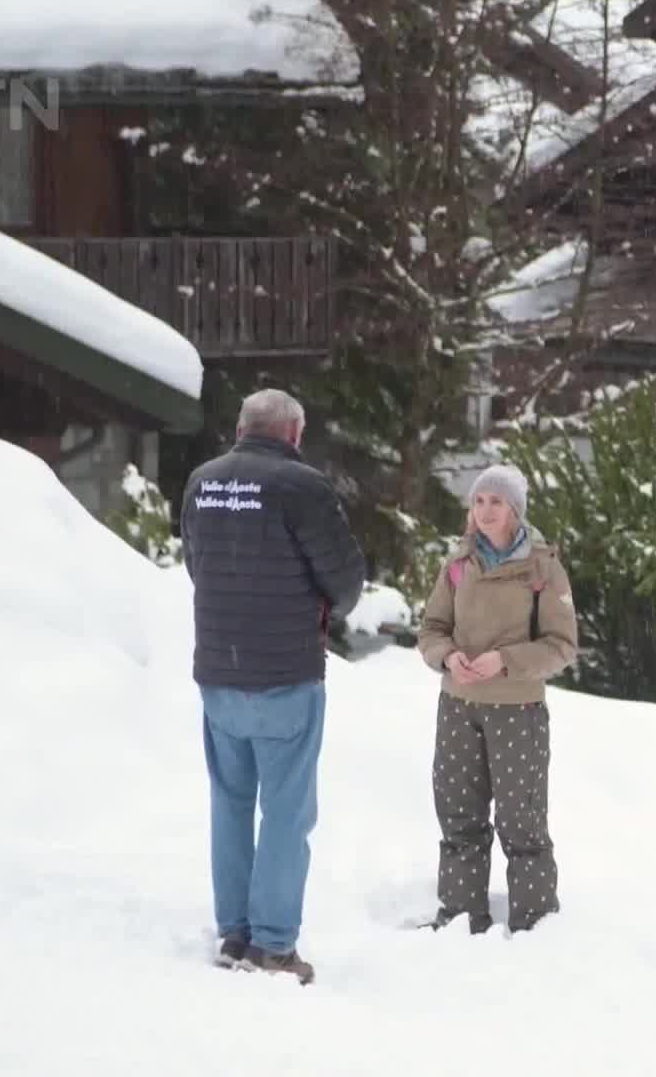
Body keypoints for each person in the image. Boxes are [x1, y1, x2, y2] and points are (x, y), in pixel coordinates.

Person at [180, 388, 365, 984]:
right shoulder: (302, 486)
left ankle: (234, 932)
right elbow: (344, 581)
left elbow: (197, 563)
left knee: (229, 804)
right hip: (285, 673)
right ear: (292, 434)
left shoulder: (202, 482)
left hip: (219, 673)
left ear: (241, 429)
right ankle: (274, 946)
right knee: (285, 812)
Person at [415, 463, 578, 934]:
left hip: (516, 711)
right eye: (479, 501)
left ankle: (535, 923)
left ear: (515, 509)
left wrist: (504, 661)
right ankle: (461, 916)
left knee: (520, 820)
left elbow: (561, 646)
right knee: (459, 814)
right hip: (458, 707)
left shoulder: (542, 568)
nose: (485, 510)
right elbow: (430, 630)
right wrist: (447, 658)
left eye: (496, 502)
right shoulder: (458, 564)